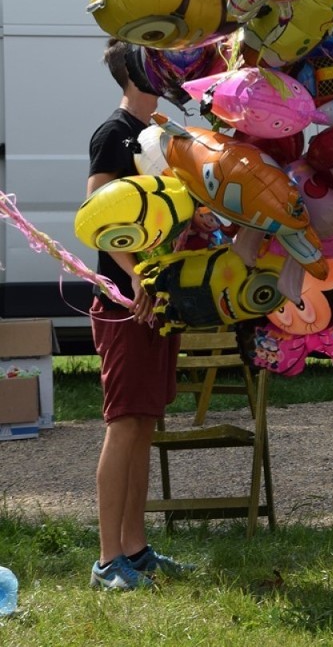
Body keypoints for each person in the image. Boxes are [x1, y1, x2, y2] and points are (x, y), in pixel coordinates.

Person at [88, 38, 194, 590]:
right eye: (158, 61)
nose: (171, 70)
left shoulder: (162, 133)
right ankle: (108, 562)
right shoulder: (113, 135)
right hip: (124, 303)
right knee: (124, 423)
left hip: (160, 299)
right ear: (136, 72)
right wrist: (135, 277)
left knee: (145, 423)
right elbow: (97, 217)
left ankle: (136, 549)